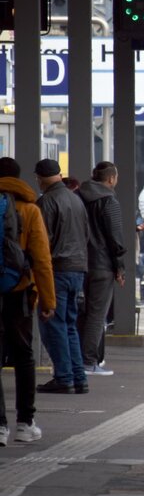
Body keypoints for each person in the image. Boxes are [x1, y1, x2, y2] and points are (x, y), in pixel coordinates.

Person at [0, 157, 56, 446]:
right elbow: (42, 261)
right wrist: (48, 300)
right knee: (23, 356)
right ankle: (25, 423)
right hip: (19, 291)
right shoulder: (30, 209)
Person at [34, 159, 89, 395]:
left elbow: (41, 241)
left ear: (39, 178)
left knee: (53, 324)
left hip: (57, 269)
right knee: (69, 326)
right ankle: (79, 378)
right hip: (78, 269)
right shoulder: (75, 199)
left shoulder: (47, 201)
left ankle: (64, 377)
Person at [77, 162, 126, 376]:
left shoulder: (77, 196)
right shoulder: (108, 200)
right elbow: (115, 236)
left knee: (81, 314)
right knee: (97, 315)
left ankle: (78, 360)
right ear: (111, 179)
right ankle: (89, 362)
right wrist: (120, 267)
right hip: (102, 264)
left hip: (78, 263)